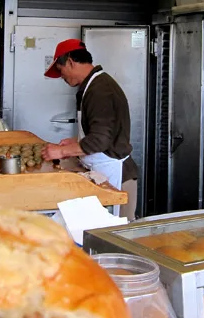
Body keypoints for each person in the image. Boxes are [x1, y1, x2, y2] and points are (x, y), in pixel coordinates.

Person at [42, 39, 139, 219]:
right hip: (103, 171)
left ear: (70, 61)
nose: (61, 77)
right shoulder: (93, 85)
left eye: (60, 70)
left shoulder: (100, 90)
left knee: (114, 238)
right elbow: (100, 132)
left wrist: (62, 151)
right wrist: (77, 141)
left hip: (116, 176)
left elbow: (101, 140)